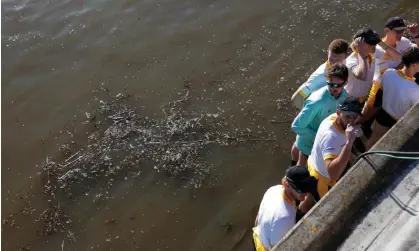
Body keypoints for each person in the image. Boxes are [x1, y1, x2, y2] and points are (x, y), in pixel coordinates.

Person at [295, 97, 363, 213]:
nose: (351, 122)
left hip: (313, 165)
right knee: (329, 210)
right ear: (338, 113)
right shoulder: (330, 137)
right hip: (323, 179)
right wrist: (349, 142)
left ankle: (298, 214)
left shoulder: (333, 119)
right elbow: (333, 174)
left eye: (354, 117)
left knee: (308, 200)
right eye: (347, 117)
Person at [360, 18, 418, 133]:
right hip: (381, 83)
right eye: (398, 31)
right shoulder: (376, 48)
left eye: (403, 31)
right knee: (369, 110)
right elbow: (396, 59)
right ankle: (360, 126)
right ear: (387, 30)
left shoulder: (404, 42)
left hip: (397, 80)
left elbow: (417, 52)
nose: (401, 34)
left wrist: (416, 35)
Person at [291, 63, 349, 166]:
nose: (332, 88)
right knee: (301, 168)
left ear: (345, 83)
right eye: (329, 83)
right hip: (309, 142)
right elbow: (296, 126)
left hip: (326, 137)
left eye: (337, 85)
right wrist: (317, 137)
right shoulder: (317, 102)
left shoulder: (345, 95)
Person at [365, 47, 419, 150]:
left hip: (382, 115)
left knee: (372, 141)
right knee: (391, 149)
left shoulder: (388, 73)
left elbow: (379, 94)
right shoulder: (415, 89)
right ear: (414, 65)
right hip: (399, 123)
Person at [252, 167, 310, 251]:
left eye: (308, 188)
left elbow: (257, 220)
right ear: (287, 185)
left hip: (257, 235)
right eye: (302, 190)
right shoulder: (284, 218)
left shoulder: (274, 189)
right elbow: (277, 248)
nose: (306, 194)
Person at [291, 39, 349, 110]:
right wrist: (309, 113)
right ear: (328, 53)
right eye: (331, 60)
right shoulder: (320, 76)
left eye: (337, 61)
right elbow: (296, 98)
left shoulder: (347, 62)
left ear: (346, 56)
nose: (334, 64)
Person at [345, 28, 397, 103]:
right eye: (371, 43)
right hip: (353, 101)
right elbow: (362, 76)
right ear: (359, 45)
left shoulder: (373, 51)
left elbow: (396, 57)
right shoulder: (351, 61)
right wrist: (361, 53)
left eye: (374, 42)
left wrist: (380, 42)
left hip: (368, 97)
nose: (374, 45)